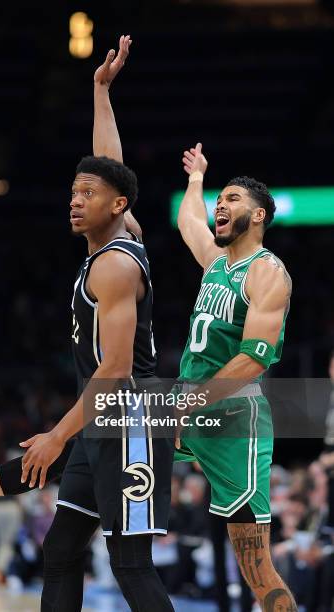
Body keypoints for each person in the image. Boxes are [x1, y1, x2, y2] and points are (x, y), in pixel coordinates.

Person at [0, 36, 176, 612]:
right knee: (62, 548)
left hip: (134, 417)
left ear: (116, 206)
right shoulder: (118, 235)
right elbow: (111, 165)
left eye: (87, 193)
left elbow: (116, 371)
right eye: (73, 191)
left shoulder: (119, 264)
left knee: (130, 564)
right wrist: (100, 92)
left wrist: (57, 434)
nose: (76, 200)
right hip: (106, 418)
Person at [173, 142, 297, 610]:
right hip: (192, 404)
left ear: (259, 215)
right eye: (219, 200)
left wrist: (189, 403)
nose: (220, 206)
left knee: (256, 568)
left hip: (232, 416)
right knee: (102, 441)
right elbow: (188, 222)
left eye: (232, 199)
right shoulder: (217, 262)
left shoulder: (267, 274)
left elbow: (253, 360)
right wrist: (196, 180)